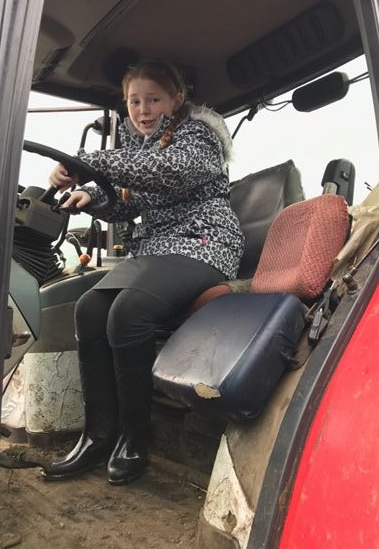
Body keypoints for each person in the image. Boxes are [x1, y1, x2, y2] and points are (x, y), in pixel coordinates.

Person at [42, 60, 244, 485]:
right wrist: (89, 196)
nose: (143, 110)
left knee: (128, 311)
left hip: (203, 243)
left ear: (177, 99)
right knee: (88, 309)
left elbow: (168, 172)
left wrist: (85, 162)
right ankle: (97, 436)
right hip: (156, 250)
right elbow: (128, 202)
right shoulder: (140, 146)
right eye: (134, 101)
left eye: (153, 99)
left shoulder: (199, 136)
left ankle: (134, 439)